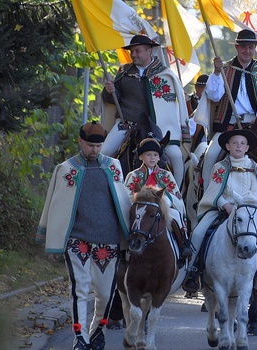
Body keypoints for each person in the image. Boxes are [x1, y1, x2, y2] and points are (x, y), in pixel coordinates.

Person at [35, 121, 131, 350]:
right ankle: (80, 338)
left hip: (108, 240)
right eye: (90, 146)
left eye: (98, 146)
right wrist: (49, 238)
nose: (95, 150)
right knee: (79, 288)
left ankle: (97, 331)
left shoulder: (114, 166)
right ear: (80, 142)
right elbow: (54, 203)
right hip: (77, 240)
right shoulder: (66, 169)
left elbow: (123, 202)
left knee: (106, 295)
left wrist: (128, 238)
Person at [182, 129, 257, 301]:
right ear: (227, 146)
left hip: (247, 213)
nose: (238, 146)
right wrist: (225, 205)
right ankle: (193, 271)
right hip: (222, 210)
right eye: (234, 143)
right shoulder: (220, 168)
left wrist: (242, 206)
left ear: (247, 148)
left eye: (242, 143)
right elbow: (214, 191)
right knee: (198, 233)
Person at [101, 35, 190, 187]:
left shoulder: (165, 74)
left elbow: (170, 106)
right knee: (102, 154)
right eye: (132, 52)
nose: (133, 55)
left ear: (149, 51)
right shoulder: (124, 72)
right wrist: (109, 91)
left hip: (158, 129)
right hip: (126, 125)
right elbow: (112, 100)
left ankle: (177, 197)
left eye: (137, 51)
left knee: (175, 156)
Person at [195, 29, 257, 191]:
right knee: (211, 156)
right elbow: (213, 96)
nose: (247, 51)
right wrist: (217, 73)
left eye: (251, 47)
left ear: (254, 49)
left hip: (256, 128)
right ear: (237, 48)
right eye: (244, 47)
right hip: (229, 126)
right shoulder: (224, 70)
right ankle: (205, 196)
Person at [124, 137, 191, 266]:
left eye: (155, 155)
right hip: (141, 209)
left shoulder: (166, 175)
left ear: (159, 158)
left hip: (162, 208)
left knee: (176, 215)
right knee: (131, 219)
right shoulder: (134, 175)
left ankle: (184, 244)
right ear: (141, 157)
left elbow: (175, 195)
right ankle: (125, 247)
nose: (152, 158)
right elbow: (127, 196)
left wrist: (165, 200)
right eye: (148, 154)